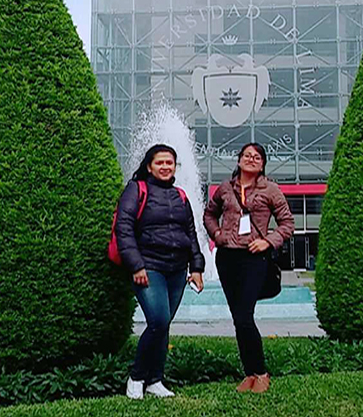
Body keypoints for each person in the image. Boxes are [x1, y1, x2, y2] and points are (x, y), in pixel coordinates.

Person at [115, 144, 205, 400]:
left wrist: (197, 267)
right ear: (149, 166)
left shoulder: (181, 196)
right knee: (158, 321)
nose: (165, 167)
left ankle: (155, 379)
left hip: (177, 269)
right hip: (149, 266)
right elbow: (124, 228)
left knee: (163, 326)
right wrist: (136, 265)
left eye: (170, 163)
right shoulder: (137, 189)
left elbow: (191, 233)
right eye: (160, 163)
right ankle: (136, 376)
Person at [203, 142, 294, 394]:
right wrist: (217, 234)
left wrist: (268, 241)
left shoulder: (271, 189)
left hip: (255, 259)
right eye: (247, 155)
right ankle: (250, 374)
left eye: (256, 157)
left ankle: (261, 372)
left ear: (263, 163)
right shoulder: (225, 188)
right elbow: (209, 215)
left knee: (244, 316)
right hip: (227, 257)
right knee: (238, 318)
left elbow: (287, 223)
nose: (251, 159)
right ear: (239, 159)